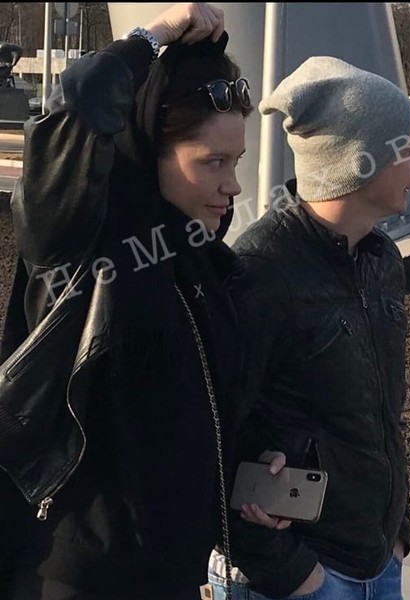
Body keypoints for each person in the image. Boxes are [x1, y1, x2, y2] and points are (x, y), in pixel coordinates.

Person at [0, 3, 255, 599]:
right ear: (148, 148)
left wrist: (260, 464)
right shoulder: (80, 243)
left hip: (175, 573)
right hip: (76, 572)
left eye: (237, 161)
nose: (234, 185)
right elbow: (76, 109)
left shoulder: (201, 260)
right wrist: (152, 35)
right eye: (213, 162)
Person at [209, 56, 410, 599]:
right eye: (406, 148)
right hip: (304, 577)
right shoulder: (261, 272)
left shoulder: (382, 260)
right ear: (358, 161)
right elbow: (209, 437)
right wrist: (295, 575)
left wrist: (398, 530)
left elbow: (383, 413)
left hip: (380, 562)